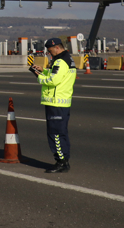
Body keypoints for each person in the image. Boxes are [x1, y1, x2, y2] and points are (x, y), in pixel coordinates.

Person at [30, 38, 76, 173]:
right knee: (61, 133)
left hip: (56, 102)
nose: (50, 53)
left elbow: (53, 80)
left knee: (55, 134)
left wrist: (38, 75)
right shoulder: (67, 59)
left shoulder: (60, 62)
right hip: (62, 101)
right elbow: (58, 75)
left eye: (50, 51)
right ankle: (63, 160)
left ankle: (61, 162)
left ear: (57, 47)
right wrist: (44, 70)